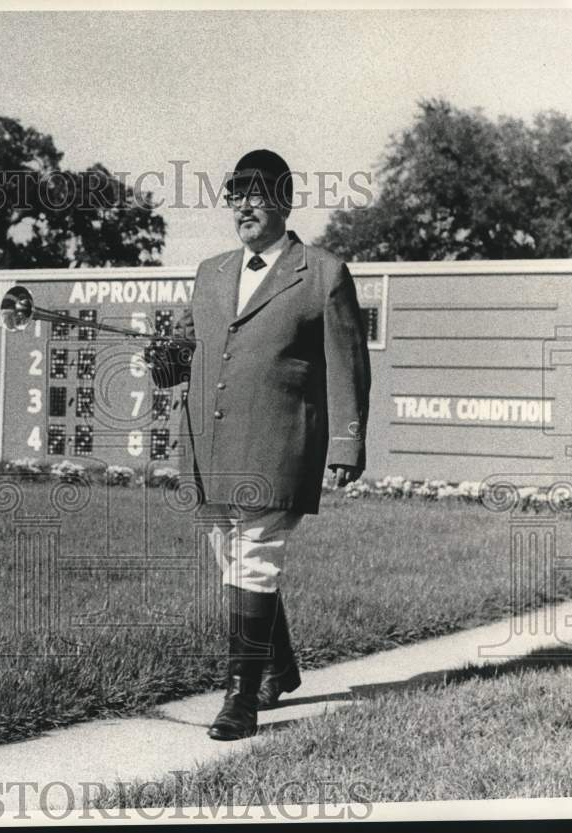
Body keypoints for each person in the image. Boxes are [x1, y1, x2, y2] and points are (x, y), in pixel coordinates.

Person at [145, 149, 371, 741]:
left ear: (285, 201)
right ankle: (280, 665)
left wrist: (347, 441)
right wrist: (164, 362)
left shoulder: (323, 272)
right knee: (233, 561)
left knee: (253, 559)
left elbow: (348, 363)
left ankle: (241, 699)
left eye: (257, 193)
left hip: (278, 444)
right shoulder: (210, 272)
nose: (244, 206)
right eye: (235, 195)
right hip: (210, 444)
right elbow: (190, 360)